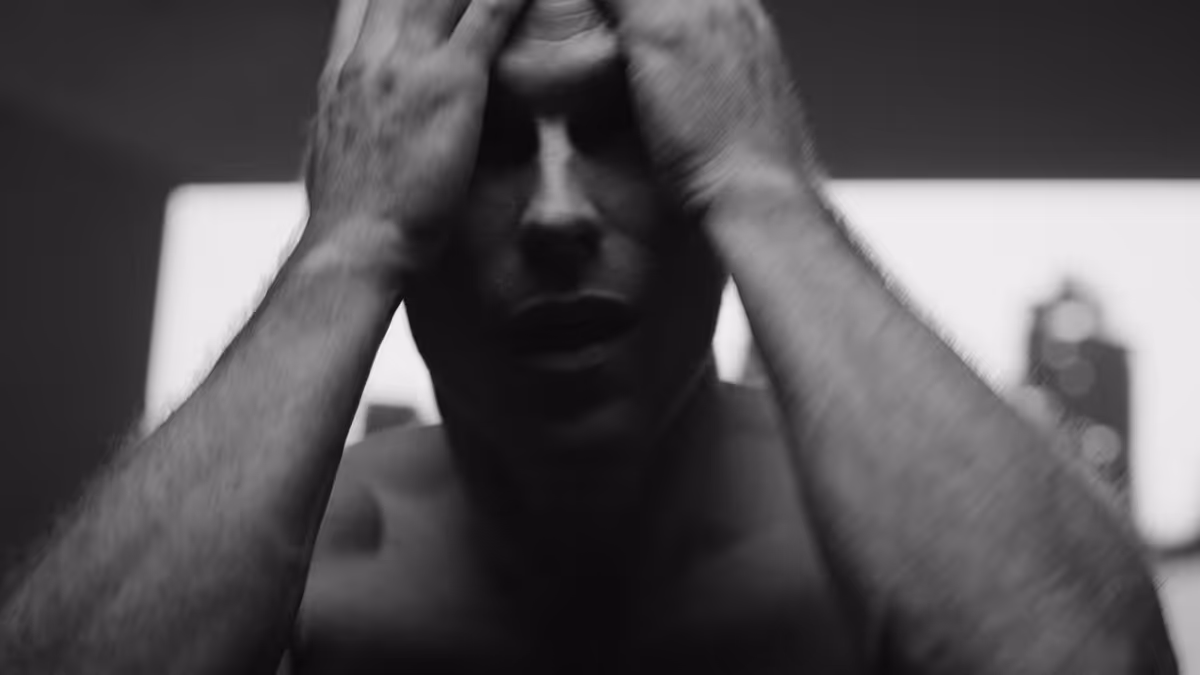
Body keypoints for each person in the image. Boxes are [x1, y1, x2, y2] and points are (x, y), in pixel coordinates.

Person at [0, 0, 1178, 672]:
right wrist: (348, 235)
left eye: (625, 130)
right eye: (491, 144)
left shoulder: (881, 556)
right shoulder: (313, 578)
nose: (560, 213)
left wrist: (755, 176)